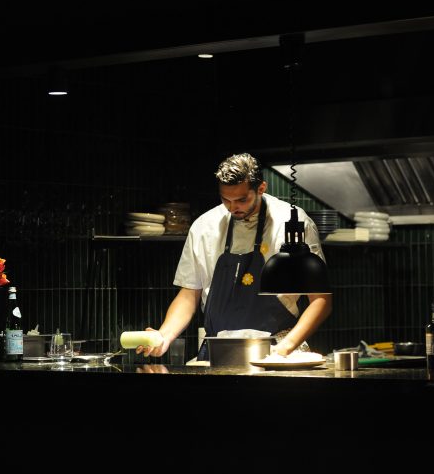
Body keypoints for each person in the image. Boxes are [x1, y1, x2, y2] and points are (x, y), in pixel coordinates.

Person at [138, 153, 332, 360]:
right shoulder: (205, 227)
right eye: (226, 200)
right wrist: (163, 336)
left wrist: (284, 348)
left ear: (261, 189)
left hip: (277, 346)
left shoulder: (292, 225)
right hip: (219, 350)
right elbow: (189, 294)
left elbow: (321, 299)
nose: (233, 208)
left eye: (242, 200)